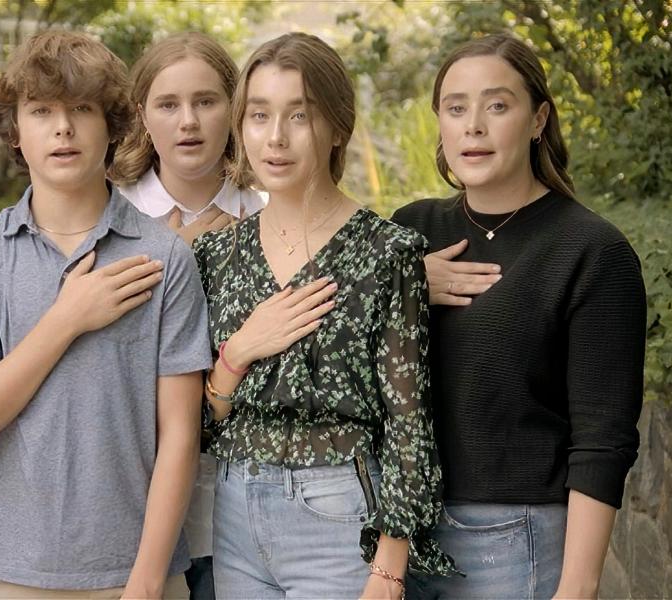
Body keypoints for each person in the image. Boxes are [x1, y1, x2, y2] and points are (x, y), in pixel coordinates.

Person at [0, 30, 211, 598]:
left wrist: (146, 581)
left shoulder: (163, 258)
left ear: (112, 124)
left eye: (81, 109)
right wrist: (66, 319)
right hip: (16, 574)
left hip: (141, 574)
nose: (62, 128)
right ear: (15, 132)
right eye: (41, 111)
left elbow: (180, 434)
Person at [193, 32, 457, 600]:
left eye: (299, 115)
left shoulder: (387, 253)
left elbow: (410, 424)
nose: (276, 138)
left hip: (338, 514)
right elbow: (197, 427)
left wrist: (390, 565)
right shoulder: (217, 255)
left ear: (337, 126)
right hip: (234, 515)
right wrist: (235, 355)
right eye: (259, 115)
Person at [392, 33, 646, 599]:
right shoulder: (410, 233)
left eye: (497, 105)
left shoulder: (590, 249)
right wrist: (400, 286)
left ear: (538, 120)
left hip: (515, 542)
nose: (472, 125)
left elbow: (603, 440)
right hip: (400, 535)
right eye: (455, 108)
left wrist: (576, 588)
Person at [110, 31, 264, 600]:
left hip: (245, 505)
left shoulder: (269, 209)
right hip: (137, 505)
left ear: (234, 107)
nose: (189, 122)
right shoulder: (111, 214)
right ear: (142, 117)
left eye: (206, 101)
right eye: (168, 105)